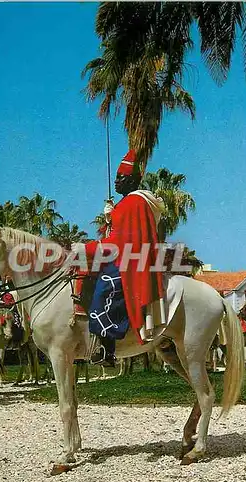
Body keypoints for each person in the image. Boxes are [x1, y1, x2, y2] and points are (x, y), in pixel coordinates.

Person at [73, 150, 166, 366]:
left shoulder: (133, 203)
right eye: (116, 178)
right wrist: (111, 217)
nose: (116, 183)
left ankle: (107, 350)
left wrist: (89, 248)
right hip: (124, 256)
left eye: (120, 178)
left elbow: (120, 242)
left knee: (105, 289)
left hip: (129, 262)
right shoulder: (127, 204)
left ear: (132, 180)